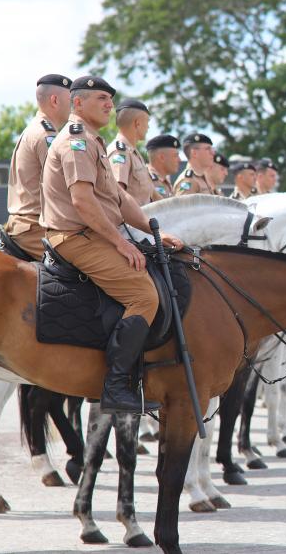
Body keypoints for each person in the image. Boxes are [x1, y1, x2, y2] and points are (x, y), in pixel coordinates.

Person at [38, 75, 184, 413]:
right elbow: (83, 202)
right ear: (77, 103)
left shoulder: (94, 141)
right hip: (74, 237)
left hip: (91, 234)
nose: (109, 104)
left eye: (110, 99)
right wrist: (121, 243)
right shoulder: (77, 141)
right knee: (143, 295)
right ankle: (116, 385)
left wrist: (154, 232)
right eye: (101, 98)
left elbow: (119, 199)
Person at [4, 73, 73, 259]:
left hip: (29, 225)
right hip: (35, 229)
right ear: (55, 100)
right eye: (70, 99)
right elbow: (66, 187)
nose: (73, 106)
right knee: (93, 262)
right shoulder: (46, 135)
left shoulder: (39, 129)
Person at [107, 99, 153, 206]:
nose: (148, 127)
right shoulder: (120, 152)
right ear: (137, 123)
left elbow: (151, 194)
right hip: (130, 222)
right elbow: (118, 195)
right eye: (147, 122)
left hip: (144, 219)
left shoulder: (133, 153)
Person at [145, 134, 180, 201]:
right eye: (175, 156)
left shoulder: (165, 180)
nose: (179, 160)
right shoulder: (145, 179)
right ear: (162, 157)